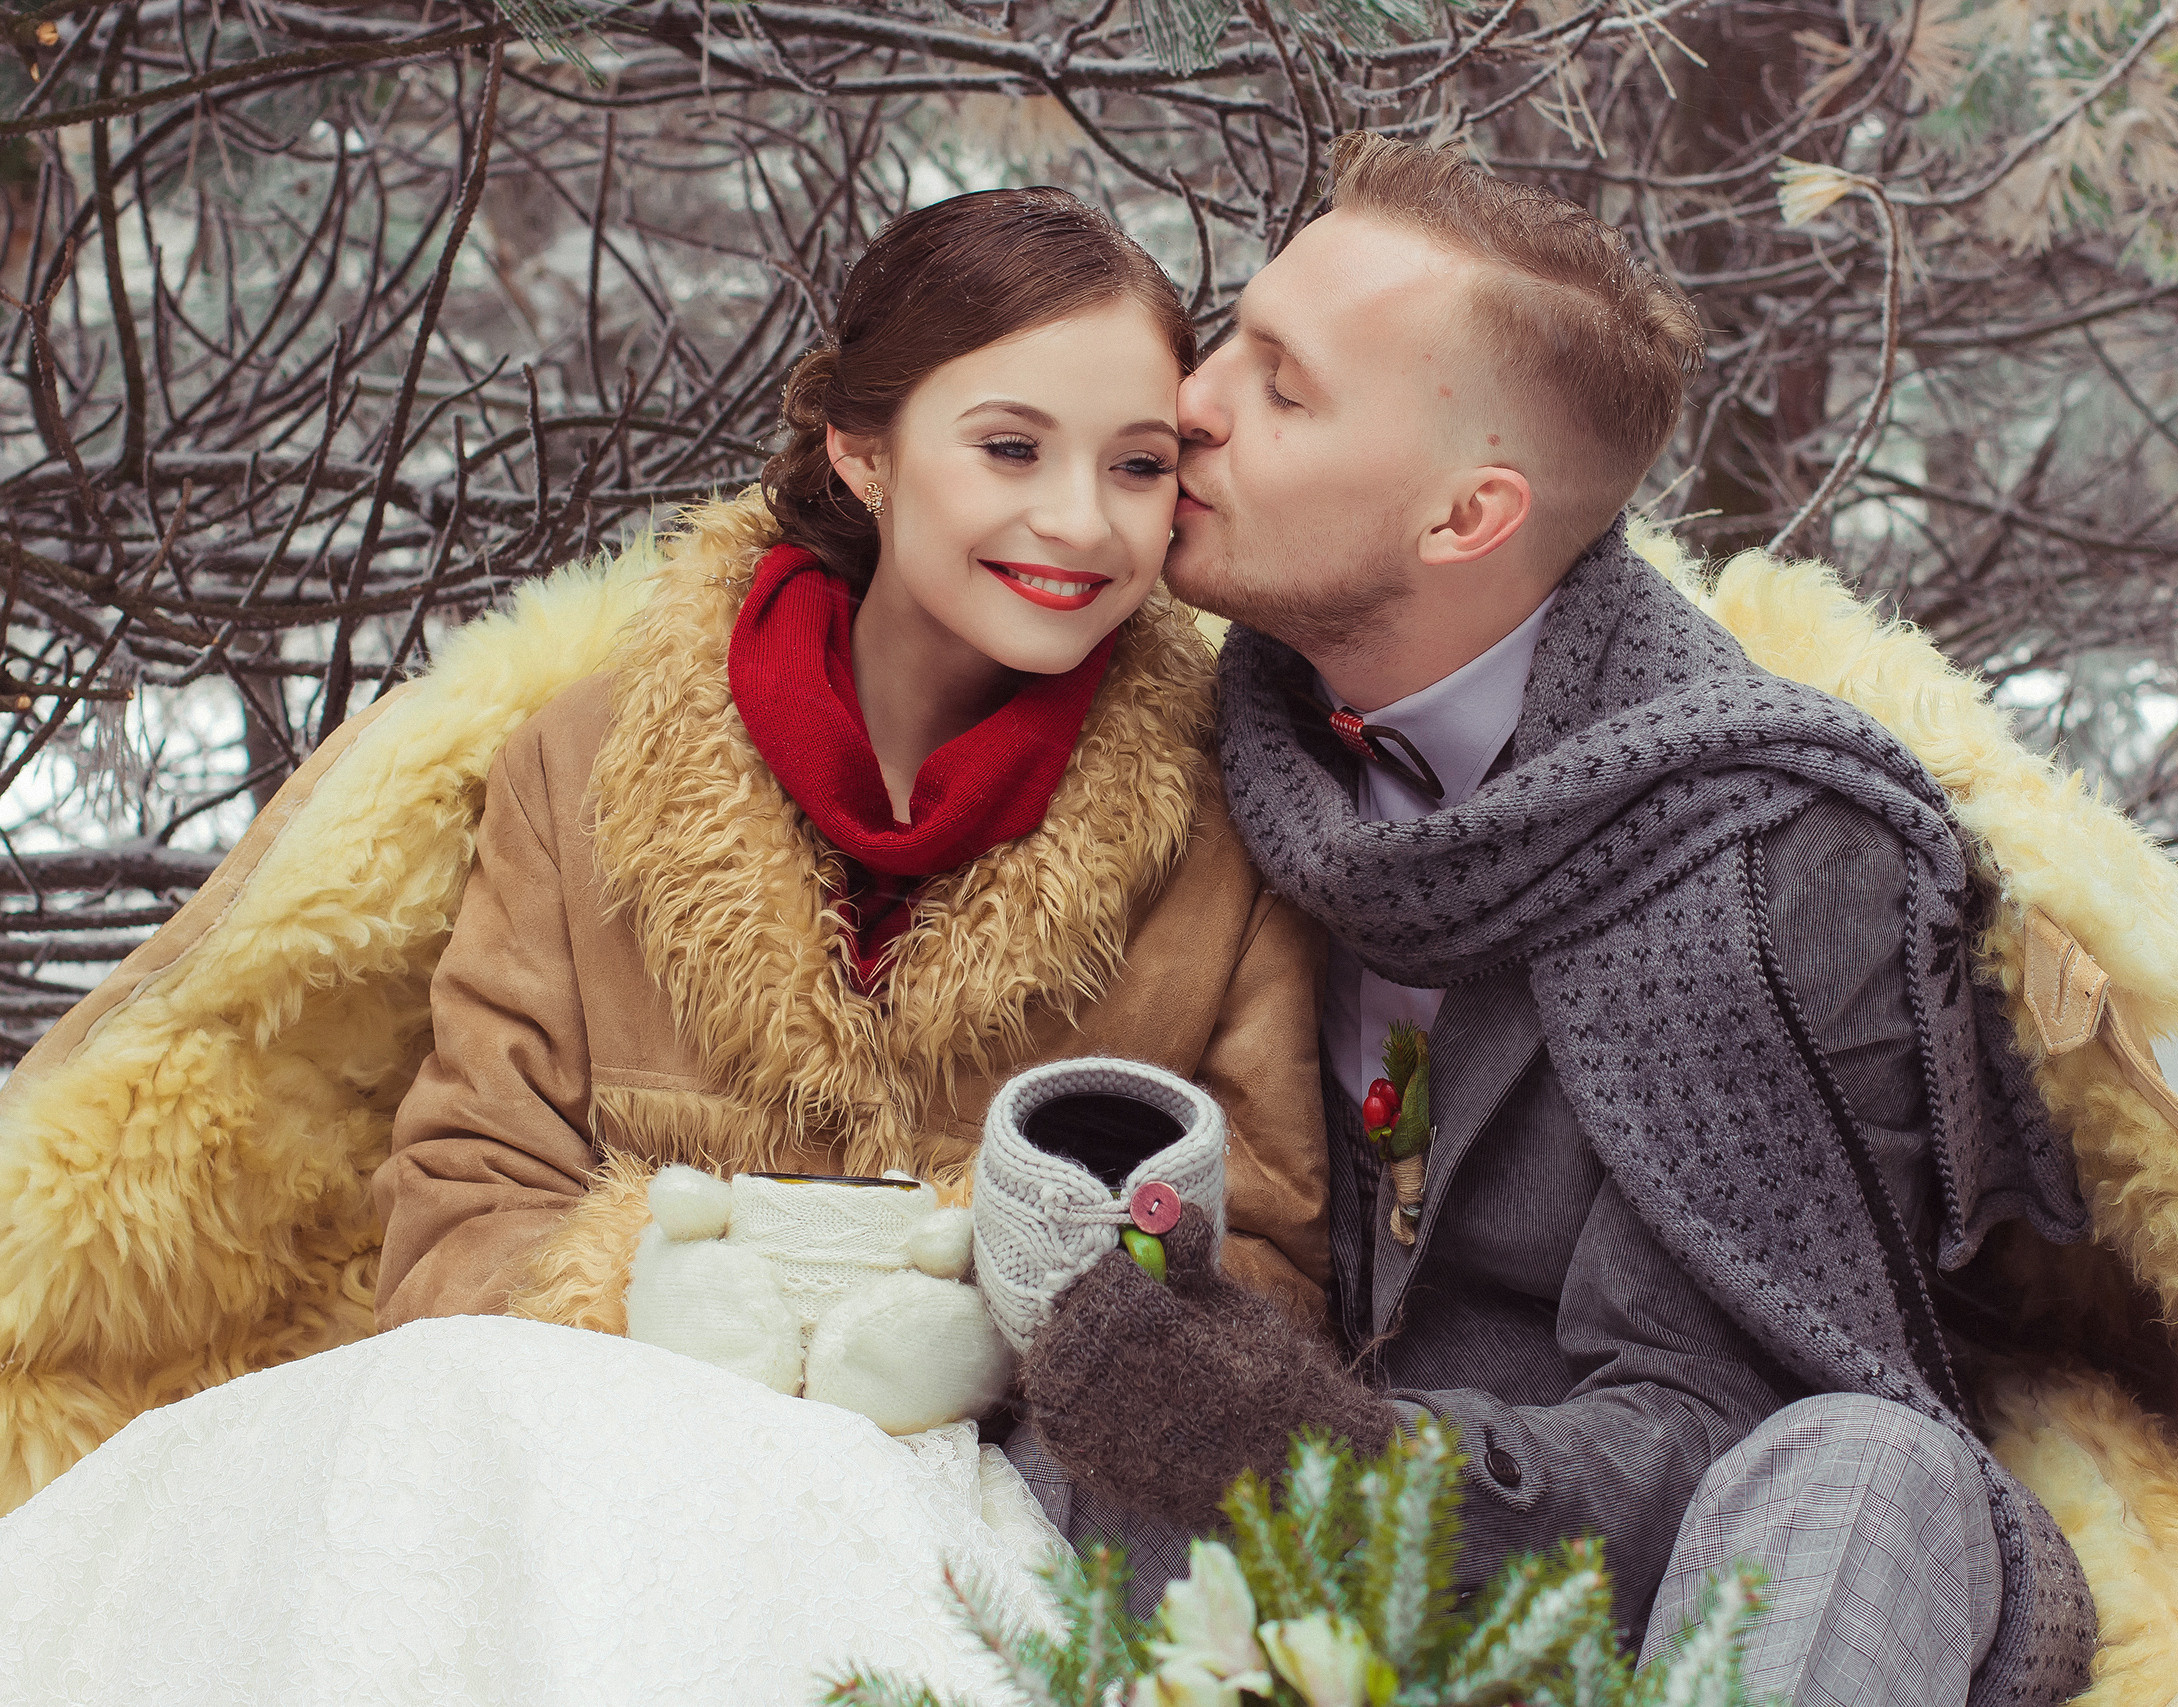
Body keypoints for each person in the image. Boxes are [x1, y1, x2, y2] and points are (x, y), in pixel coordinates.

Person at [0, 185, 1329, 1705]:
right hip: (577, 1483)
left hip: (981, 1534)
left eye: (1141, 464)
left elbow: (1269, 1267)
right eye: (1011, 447)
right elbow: (454, 1212)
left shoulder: (1225, 831)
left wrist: (988, 1334)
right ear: (863, 448)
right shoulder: (587, 762)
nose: (1082, 521)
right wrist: (672, 1290)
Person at [1005, 134, 2099, 1707]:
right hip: (1307, 1552)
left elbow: (1730, 1421)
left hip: (1654, 1587)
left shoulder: (1771, 855)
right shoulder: (1182, 732)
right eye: (1230, 330)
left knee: (1866, 1471)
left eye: (1287, 389)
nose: (1194, 400)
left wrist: (1350, 1456)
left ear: (1469, 518)